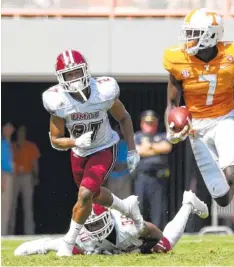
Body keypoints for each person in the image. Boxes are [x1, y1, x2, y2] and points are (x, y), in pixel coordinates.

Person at [163, 8, 234, 259]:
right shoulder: (177, 60)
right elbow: (171, 103)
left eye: (194, 34)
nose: (188, 40)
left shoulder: (233, 55)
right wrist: (173, 127)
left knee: (231, 173)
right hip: (196, 127)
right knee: (222, 199)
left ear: (211, 36)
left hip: (224, 118)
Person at [42, 49, 142, 256]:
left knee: (85, 194)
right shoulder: (59, 101)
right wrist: (75, 141)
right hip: (79, 151)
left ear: (85, 70)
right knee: (92, 196)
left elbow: (123, 117)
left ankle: (67, 244)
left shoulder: (103, 91)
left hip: (104, 146)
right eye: (69, 75)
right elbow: (55, 140)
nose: (74, 79)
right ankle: (126, 207)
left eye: (77, 72)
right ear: (61, 78)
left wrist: (132, 149)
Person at [14, 190, 208, 256]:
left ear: (107, 218)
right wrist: (34, 247)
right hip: (119, 241)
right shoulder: (85, 237)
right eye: (91, 226)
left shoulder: (128, 227)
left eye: (98, 224)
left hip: (134, 237)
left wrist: (143, 247)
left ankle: (188, 204)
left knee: (165, 246)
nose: (96, 230)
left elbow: (156, 234)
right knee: (63, 245)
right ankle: (33, 246)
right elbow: (60, 244)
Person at [134, 110, 172, 229]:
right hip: (142, 177)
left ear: (156, 124)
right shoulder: (137, 136)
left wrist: (149, 146)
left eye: (152, 123)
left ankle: (159, 235)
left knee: (158, 209)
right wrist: (156, 148)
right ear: (142, 123)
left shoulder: (162, 136)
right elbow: (138, 151)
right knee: (140, 209)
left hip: (158, 178)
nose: (149, 125)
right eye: (147, 123)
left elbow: (167, 147)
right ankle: (140, 234)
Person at [10, 125, 40, 235]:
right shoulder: (12, 146)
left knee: (28, 206)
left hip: (27, 177)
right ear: (17, 134)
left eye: (23, 132)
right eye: (19, 132)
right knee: (11, 206)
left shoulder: (31, 146)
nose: (21, 134)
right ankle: (8, 233)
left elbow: (35, 164)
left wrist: (35, 176)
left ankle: (29, 233)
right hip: (14, 178)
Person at [1, 122, 15, 235]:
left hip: (8, 174)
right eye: (7, 128)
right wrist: (3, 177)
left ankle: (3, 233)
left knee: (7, 206)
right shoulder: (2, 143)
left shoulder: (7, 143)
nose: (10, 130)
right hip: (4, 174)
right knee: (4, 205)